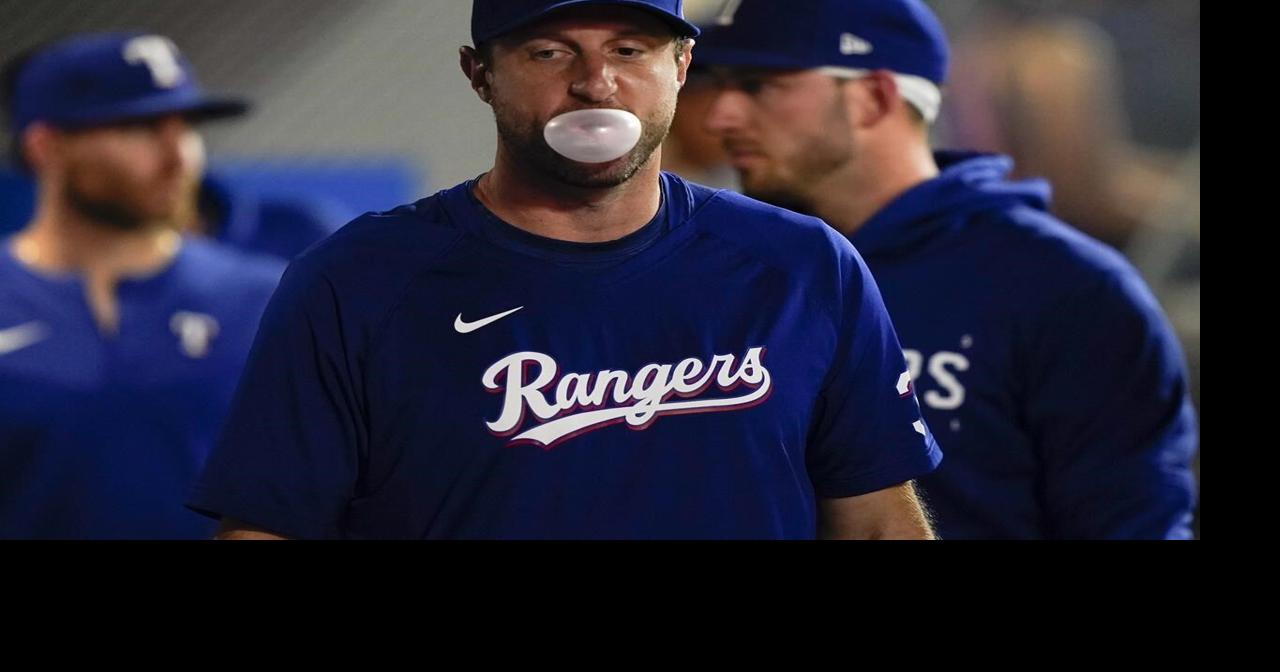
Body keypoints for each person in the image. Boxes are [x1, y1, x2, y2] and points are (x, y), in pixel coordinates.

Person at [190, 0, 941, 540]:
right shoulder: (355, 280)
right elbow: (268, 528)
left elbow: (877, 522)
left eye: (629, 49)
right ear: (479, 73)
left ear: (681, 65)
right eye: (549, 51)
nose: (595, 85)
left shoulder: (803, 266)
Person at [695, 0, 1198, 539]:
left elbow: (1131, 522)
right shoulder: (726, 276)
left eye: (757, 85)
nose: (719, 116)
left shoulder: (1062, 287)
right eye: (719, 85)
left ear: (874, 96)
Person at [0, 33, 283, 539]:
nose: (179, 156)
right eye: (140, 127)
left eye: (187, 127)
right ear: (45, 145)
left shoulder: (269, 299)